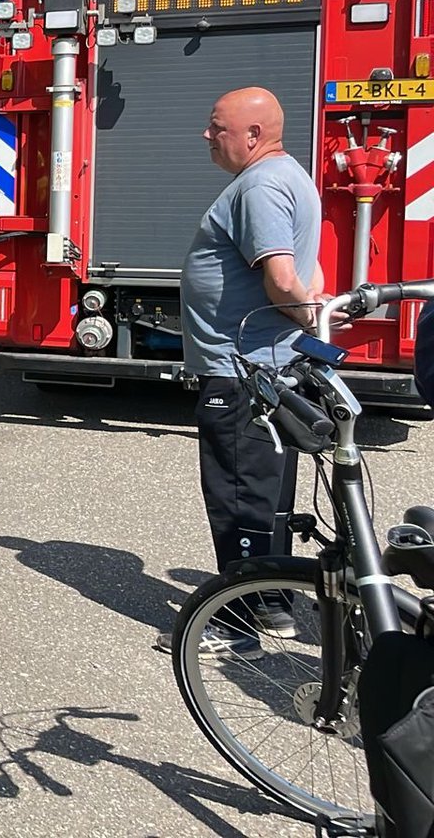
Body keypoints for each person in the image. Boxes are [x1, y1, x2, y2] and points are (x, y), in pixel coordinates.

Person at [176, 86, 323, 658]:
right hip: (264, 368)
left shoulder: (260, 185)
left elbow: (283, 278)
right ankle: (274, 606)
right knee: (266, 492)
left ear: (253, 135)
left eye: (217, 127)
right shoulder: (287, 175)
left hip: (241, 372)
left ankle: (236, 626)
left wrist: (305, 314)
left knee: (237, 492)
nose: (207, 135)